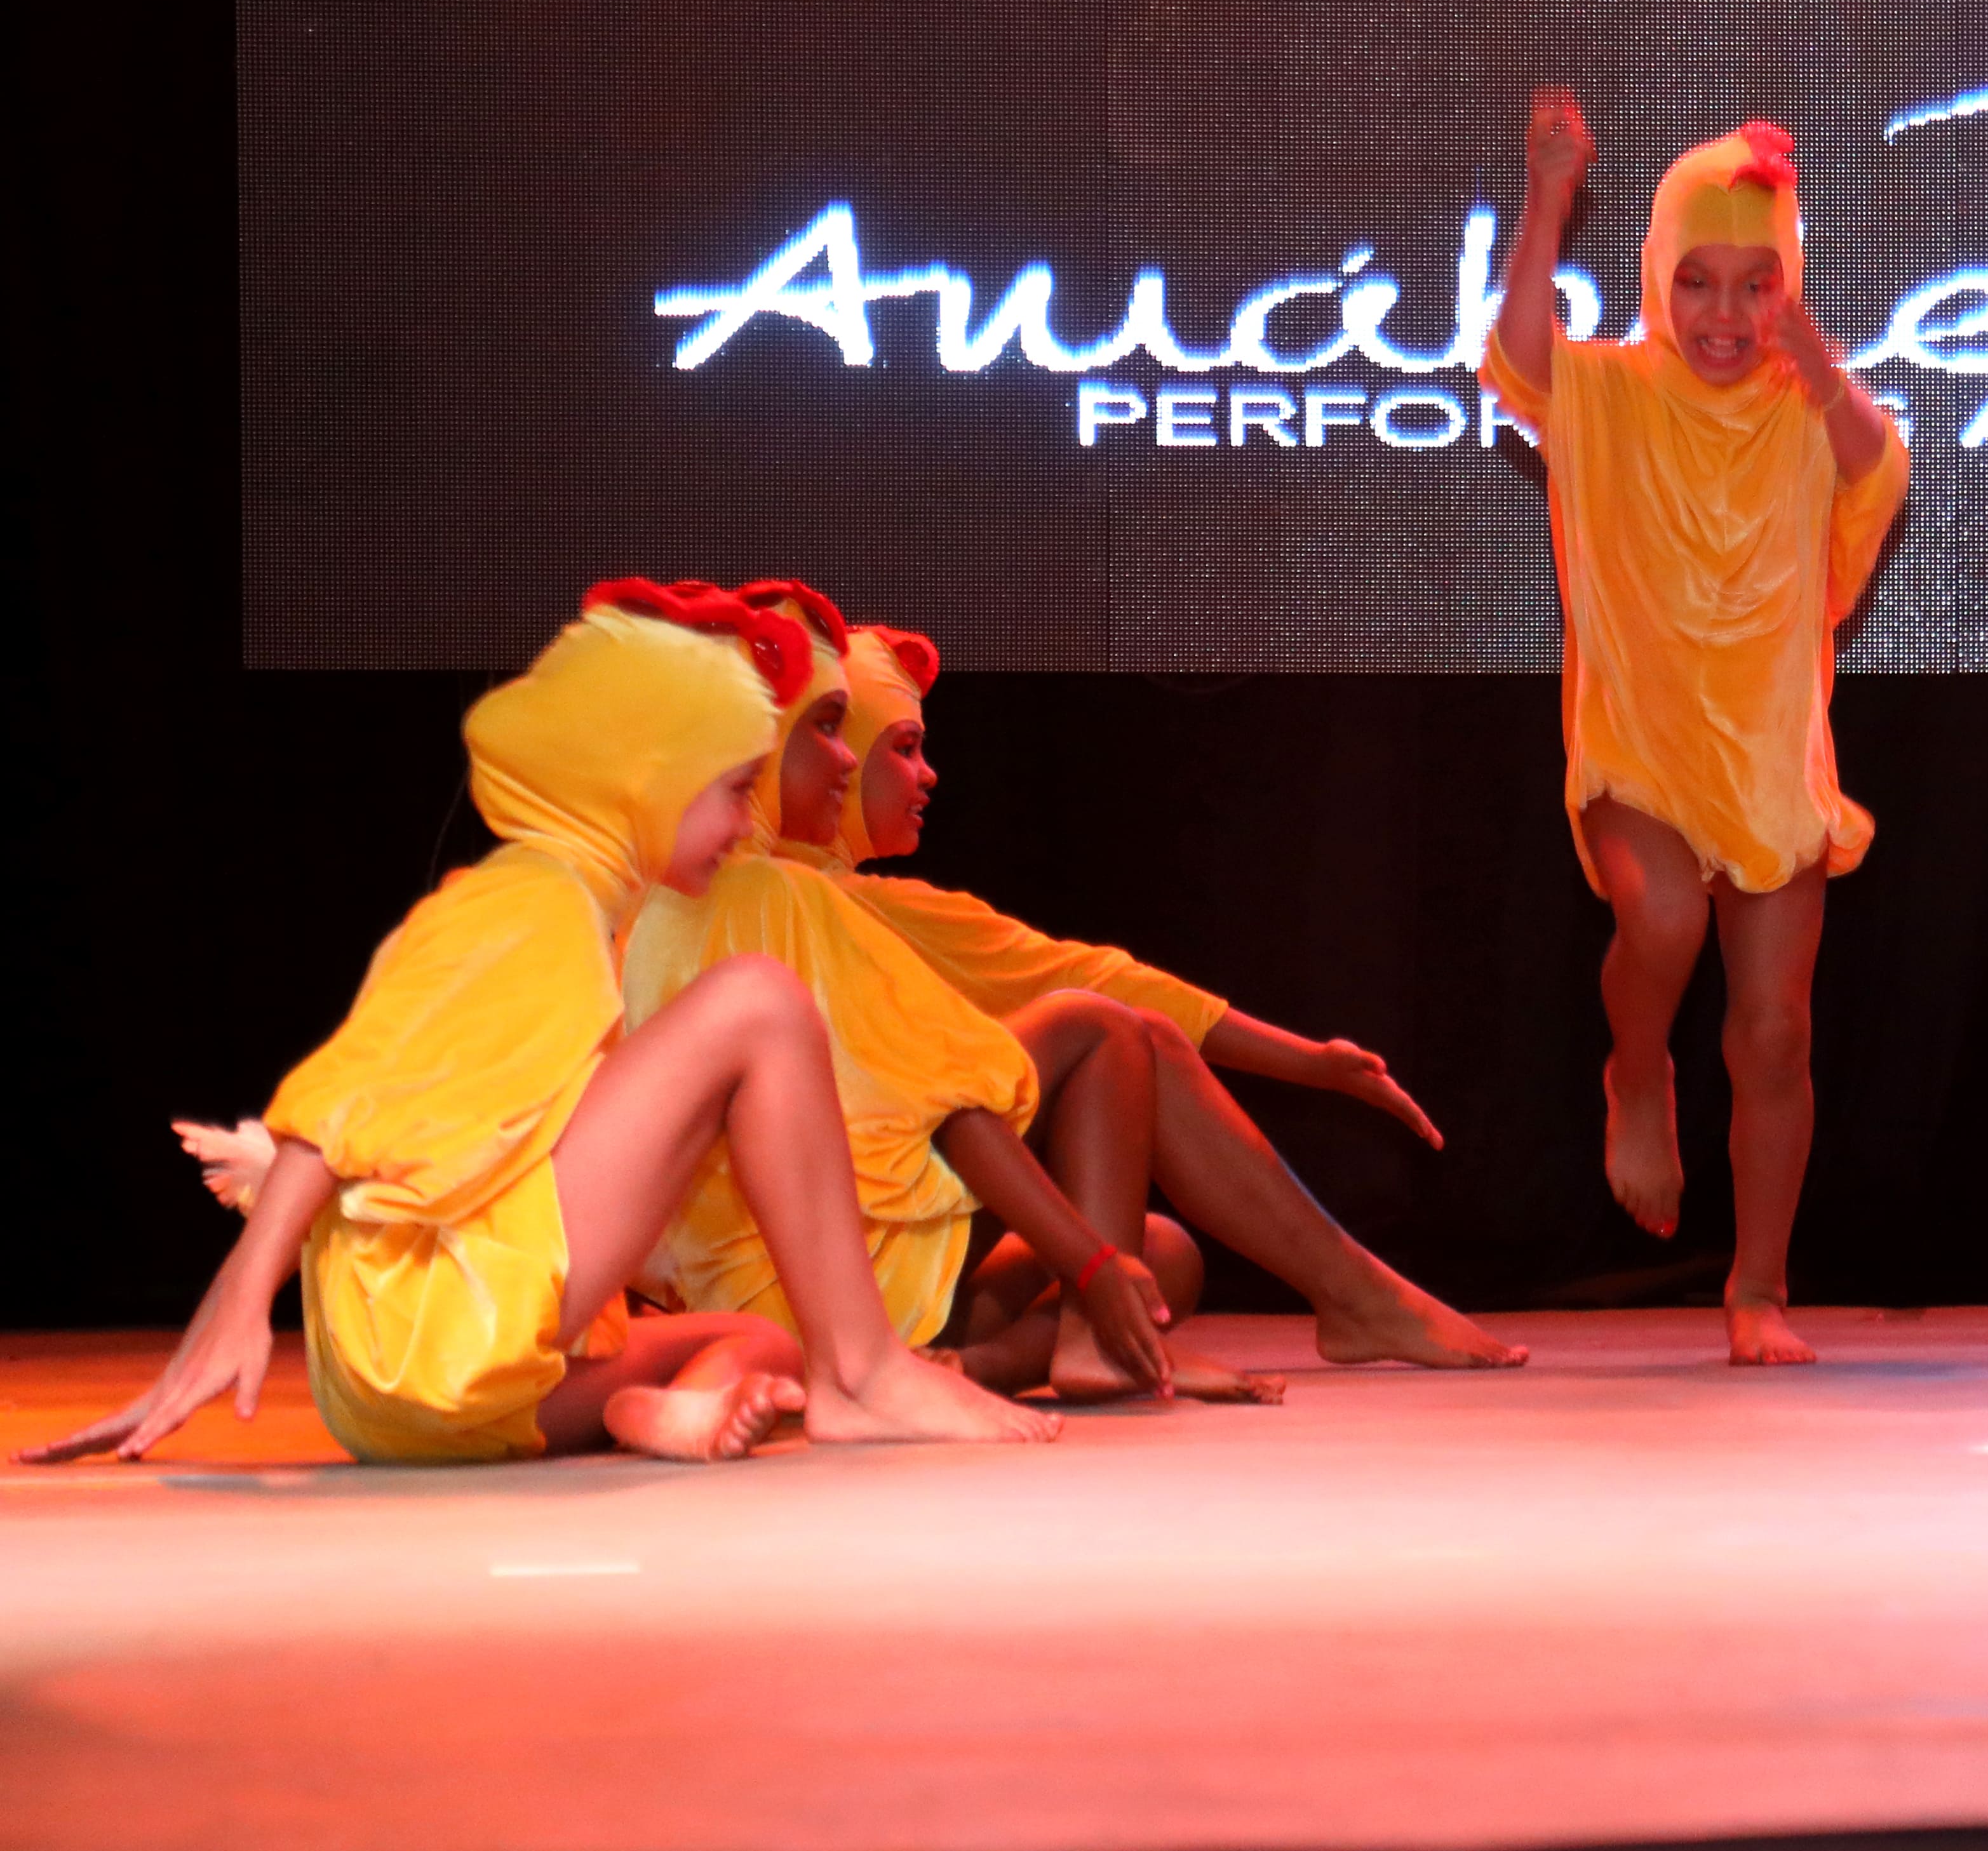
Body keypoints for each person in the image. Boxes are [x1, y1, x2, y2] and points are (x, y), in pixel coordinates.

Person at [22, 582, 1055, 1467]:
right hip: (440, 1330)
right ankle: (864, 1375)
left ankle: (663, 1405)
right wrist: (237, 1303)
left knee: (762, 1336)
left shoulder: (585, 903)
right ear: (652, 780)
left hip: (427, 1403)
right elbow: (336, 1102)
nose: (747, 823)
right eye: (734, 789)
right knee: (762, 1003)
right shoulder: (537, 899)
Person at [1481, 90, 1907, 1365]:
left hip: (1770, 756)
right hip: (1638, 741)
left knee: (1774, 1031)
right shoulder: (1608, 391)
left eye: (1755, 286)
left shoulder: (1806, 411)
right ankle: (1635, 1069)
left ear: (1790, 290)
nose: (1725, 315)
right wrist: (1548, 200)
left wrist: (1803, 342)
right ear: (1658, 275)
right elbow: (1518, 358)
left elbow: (1874, 462)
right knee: (1661, 916)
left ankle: (1756, 1289)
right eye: (1698, 282)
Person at [814, 611, 1524, 1373]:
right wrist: (1308, 1062)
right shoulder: (821, 904)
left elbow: (1084, 979)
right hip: (845, 1265)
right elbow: (1090, 989)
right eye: (904, 749)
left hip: (890, 1258)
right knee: (1113, 1030)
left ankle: (968, 1368)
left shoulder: (840, 899)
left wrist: (1311, 1062)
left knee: (1161, 1255)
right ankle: (1346, 1298)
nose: (928, 774)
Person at [623, 582, 1242, 1403]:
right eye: (828, 727)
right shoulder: (776, 896)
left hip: (735, 1303)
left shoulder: (634, 902)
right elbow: (955, 1106)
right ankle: (1097, 1344)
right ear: (757, 740)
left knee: (1160, 1251)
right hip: (830, 1283)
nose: (849, 759)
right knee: (1096, 1027)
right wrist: (1091, 1265)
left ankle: (978, 1365)